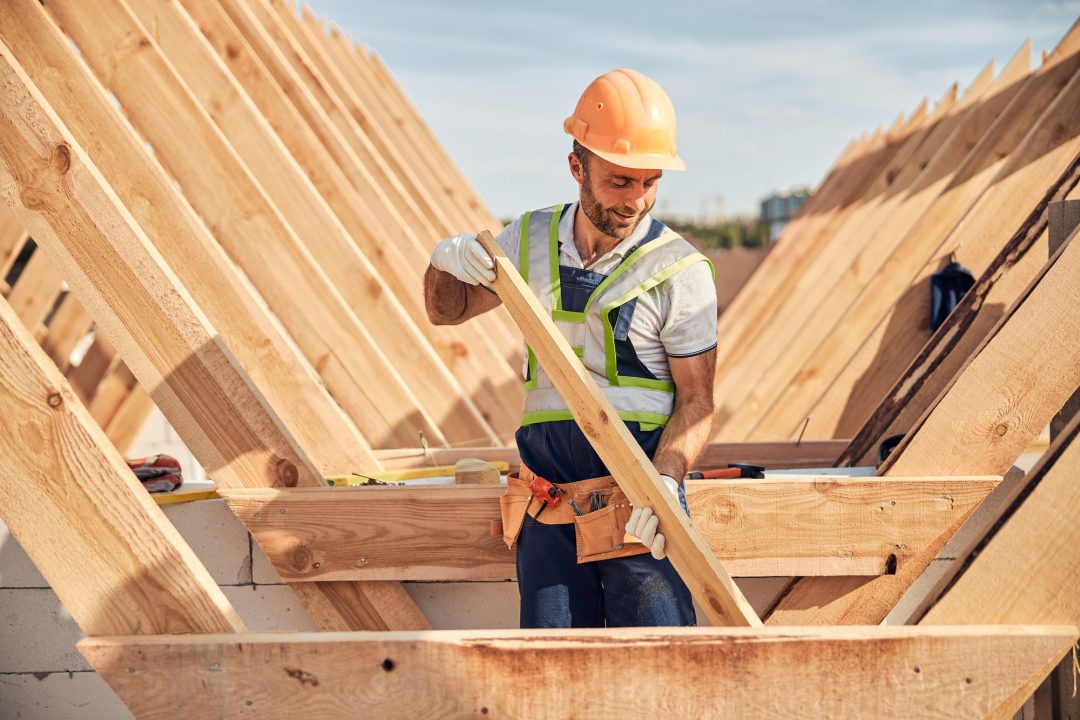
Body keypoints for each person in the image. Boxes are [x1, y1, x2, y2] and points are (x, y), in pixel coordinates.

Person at [423, 68, 717, 628]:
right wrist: (443, 262)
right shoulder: (527, 240)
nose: (637, 201)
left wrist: (667, 482)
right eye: (619, 182)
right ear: (577, 167)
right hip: (549, 506)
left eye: (650, 182)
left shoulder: (680, 270)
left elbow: (698, 403)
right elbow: (447, 311)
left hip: (640, 509)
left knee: (657, 681)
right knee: (552, 677)